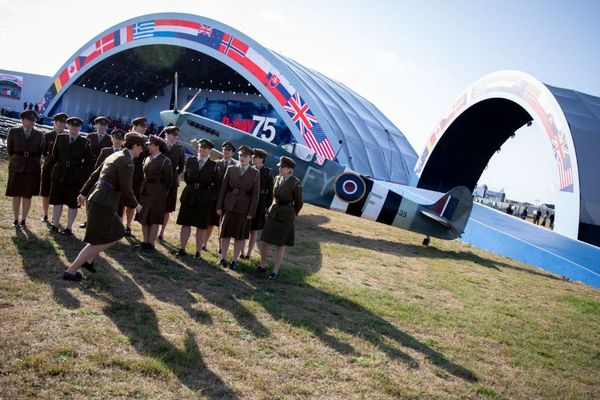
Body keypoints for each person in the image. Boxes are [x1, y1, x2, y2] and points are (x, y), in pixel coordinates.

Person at [62, 132, 146, 281]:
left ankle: (88, 262)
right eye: (141, 147)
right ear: (134, 146)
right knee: (110, 235)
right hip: (104, 201)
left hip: (98, 197)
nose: (142, 150)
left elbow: (95, 174)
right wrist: (136, 205)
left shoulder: (116, 155)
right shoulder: (126, 161)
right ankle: (71, 270)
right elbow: (127, 189)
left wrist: (83, 192)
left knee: (105, 235)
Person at [258, 156, 303, 280]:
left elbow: (299, 203)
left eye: (282, 167)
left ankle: (275, 271)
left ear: (290, 169)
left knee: (280, 244)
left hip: (286, 215)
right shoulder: (277, 178)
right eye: (279, 166)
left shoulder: (296, 183)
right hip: (274, 212)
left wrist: (292, 213)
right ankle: (262, 265)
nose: (280, 168)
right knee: (265, 240)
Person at [216, 145, 259, 269]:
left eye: (245, 156)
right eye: (241, 155)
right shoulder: (231, 169)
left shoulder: (255, 173)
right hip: (229, 205)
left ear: (251, 158)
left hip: (243, 208)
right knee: (225, 233)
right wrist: (219, 205)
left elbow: (255, 195)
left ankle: (234, 260)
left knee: (239, 236)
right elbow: (223, 188)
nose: (242, 158)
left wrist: (251, 212)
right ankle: (223, 258)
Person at [175, 138, 218, 259]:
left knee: (201, 226)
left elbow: (217, 185)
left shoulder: (213, 166)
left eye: (204, 148)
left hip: (204, 197)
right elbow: (187, 179)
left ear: (209, 150)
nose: (201, 150)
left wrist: (210, 197)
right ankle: (182, 248)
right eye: (200, 147)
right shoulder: (191, 161)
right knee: (185, 223)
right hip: (190, 194)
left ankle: (198, 252)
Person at [49, 117, 91, 236]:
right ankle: (55, 225)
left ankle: (68, 228)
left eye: (77, 126)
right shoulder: (60, 137)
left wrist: (81, 175)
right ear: (67, 126)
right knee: (57, 199)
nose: (74, 127)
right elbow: (55, 154)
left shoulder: (84, 142)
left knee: (73, 202)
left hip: (75, 175)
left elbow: (88, 162)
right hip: (60, 172)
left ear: (80, 128)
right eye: (72, 125)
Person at [5, 110, 44, 228]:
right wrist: (18, 158)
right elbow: (10, 149)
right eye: (29, 120)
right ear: (22, 120)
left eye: (33, 120)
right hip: (17, 165)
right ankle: (15, 219)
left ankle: (23, 220)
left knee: (27, 194)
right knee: (16, 193)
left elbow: (40, 151)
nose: (31, 122)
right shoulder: (14, 131)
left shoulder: (39, 134)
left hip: (32, 167)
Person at [134, 135, 173, 251]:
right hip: (145, 191)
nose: (148, 147)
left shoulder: (165, 161)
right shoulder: (148, 158)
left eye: (150, 145)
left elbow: (169, 181)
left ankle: (151, 244)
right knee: (143, 217)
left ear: (157, 146)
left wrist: (162, 192)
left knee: (154, 218)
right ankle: (145, 242)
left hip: (157, 193)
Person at [205, 140, 238, 251]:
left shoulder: (236, 166)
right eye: (224, 150)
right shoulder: (217, 163)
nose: (226, 152)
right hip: (215, 197)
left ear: (233, 152)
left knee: (223, 225)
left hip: (228, 199)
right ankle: (204, 244)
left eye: (228, 150)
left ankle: (220, 247)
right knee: (210, 222)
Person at [242, 148, 273, 259]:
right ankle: (242, 252)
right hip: (248, 201)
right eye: (253, 157)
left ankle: (249, 253)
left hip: (260, 202)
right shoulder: (248, 169)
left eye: (255, 157)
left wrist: (267, 206)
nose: (253, 158)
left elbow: (270, 192)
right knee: (244, 227)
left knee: (254, 230)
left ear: (262, 159)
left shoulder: (268, 172)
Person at [158, 126, 185, 241]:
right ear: (167, 134)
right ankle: (152, 228)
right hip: (158, 180)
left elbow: (181, 167)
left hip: (171, 183)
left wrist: (172, 175)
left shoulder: (179, 149)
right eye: (173, 135)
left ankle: (161, 232)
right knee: (155, 206)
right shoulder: (159, 145)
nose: (175, 137)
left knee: (167, 209)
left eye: (176, 135)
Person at [40, 112, 68, 222]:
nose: (62, 124)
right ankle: (46, 214)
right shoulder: (47, 135)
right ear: (55, 123)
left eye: (64, 122)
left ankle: (55, 217)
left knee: (57, 192)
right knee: (46, 191)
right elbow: (43, 151)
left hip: (61, 168)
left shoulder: (67, 137)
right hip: (48, 166)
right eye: (60, 122)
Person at [124, 116, 148, 236]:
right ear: (135, 126)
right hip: (123, 169)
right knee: (119, 200)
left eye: (145, 126)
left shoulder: (146, 141)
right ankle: (117, 223)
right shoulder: (126, 137)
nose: (144, 128)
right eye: (142, 126)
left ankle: (128, 226)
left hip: (137, 173)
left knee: (131, 201)